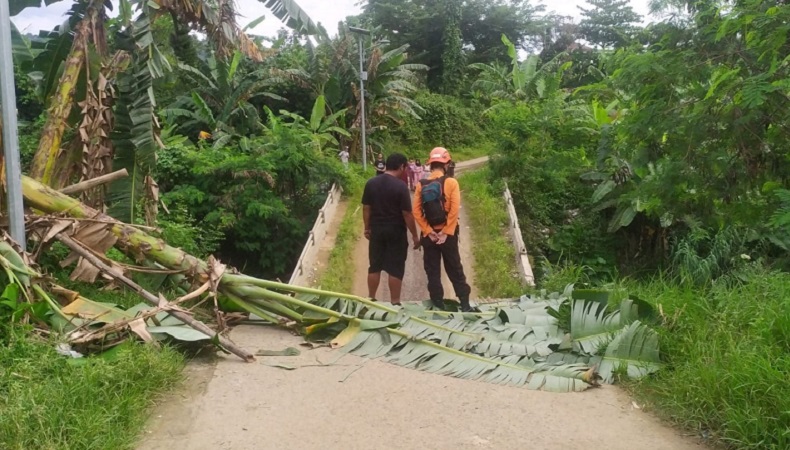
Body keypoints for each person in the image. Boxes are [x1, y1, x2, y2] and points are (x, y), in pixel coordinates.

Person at [413, 147, 474, 312]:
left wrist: (428, 231)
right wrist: (446, 232)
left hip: (429, 236)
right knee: (455, 268)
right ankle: (465, 304)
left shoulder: (421, 184)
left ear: (430, 165)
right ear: (446, 164)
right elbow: (454, 210)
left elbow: (417, 212)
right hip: (448, 235)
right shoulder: (451, 182)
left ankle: (438, 304)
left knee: (432, 271)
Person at [362, 153, 421, 305]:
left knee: (374, 266)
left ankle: (371, 298)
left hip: (377, 230)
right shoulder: (400, 186)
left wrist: (367, 228)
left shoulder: (371, 183)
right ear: (401, 166)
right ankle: (395, 302)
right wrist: (415, 235)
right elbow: (407, 214)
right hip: (396, 231)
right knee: (395, 268)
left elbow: (366, 208)